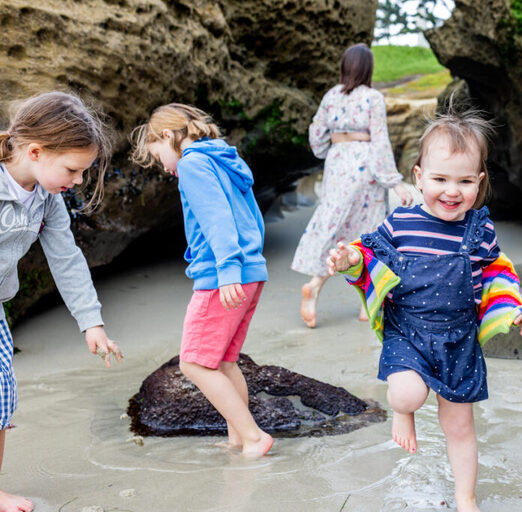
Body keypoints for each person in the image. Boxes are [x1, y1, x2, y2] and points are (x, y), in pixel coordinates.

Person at [327, 107, 522, 512]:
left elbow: (497, 272)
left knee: (459, 425)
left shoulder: (480, 228)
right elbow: (367, 251)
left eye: (464, 181)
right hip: (409, 331)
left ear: (480, 181)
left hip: (459, 339)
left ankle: (465, 497)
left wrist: (512, 307)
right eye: (440, 179)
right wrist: (347, 258)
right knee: (405, 394)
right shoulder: (402, 223)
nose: (452, 191)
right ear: (419, 177)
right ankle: (403, 413)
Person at [0, 91, 123, 512]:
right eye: (73, 169)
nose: (79, 180)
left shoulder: (47, 200)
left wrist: (91, 321)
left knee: (2, 395)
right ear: (35, 151)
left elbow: (66, 258)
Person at [131, 104, 273, 457]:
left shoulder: (193, 163)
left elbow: (217, 220)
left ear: (168, 136)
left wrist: (226, 270)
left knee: (193, 363)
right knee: (225, 362)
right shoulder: (225, 160)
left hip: (222, 276)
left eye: (158, 155)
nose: (164, 166)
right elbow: (253, 219)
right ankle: (239, 438)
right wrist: (246, 263)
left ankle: (254, 437)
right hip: (251, 271)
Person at [291, 43, 412, 328]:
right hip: (365, 164)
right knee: (367, 231)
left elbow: (316, 133)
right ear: (368, 69)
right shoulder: (373, 97)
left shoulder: (331, 96)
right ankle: (365, 303)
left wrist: (328, 150)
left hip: (337, 164)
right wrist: (395, 183)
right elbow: (380, 141)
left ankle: (316, 284)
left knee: (336, 225)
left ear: (344, 67)